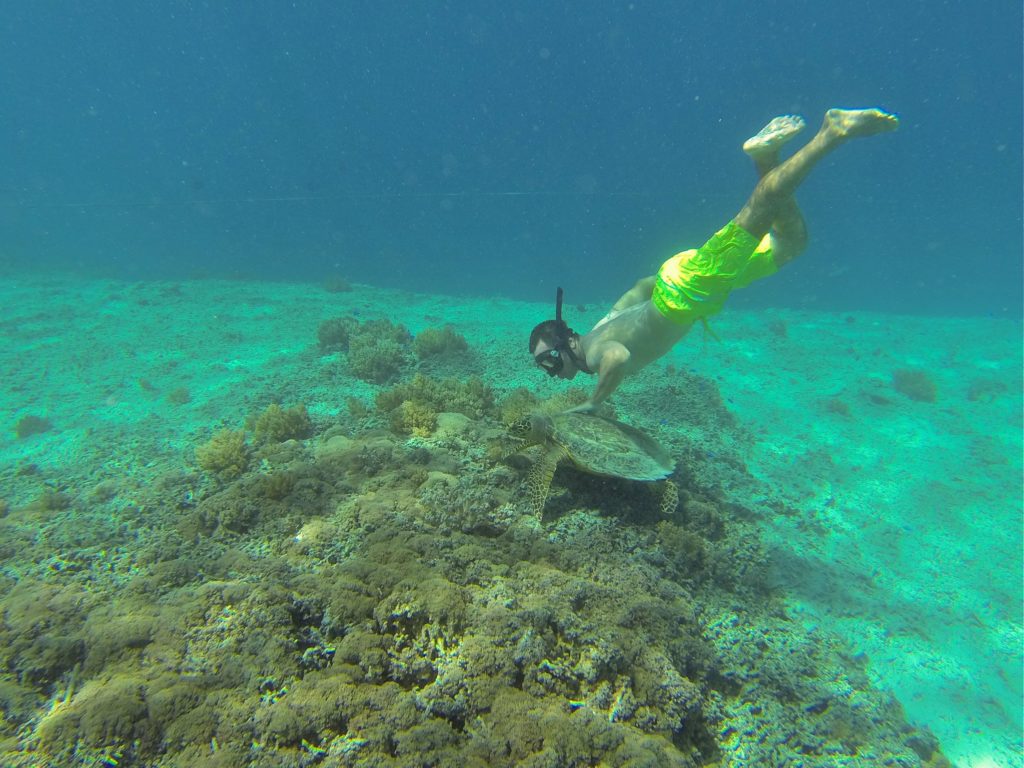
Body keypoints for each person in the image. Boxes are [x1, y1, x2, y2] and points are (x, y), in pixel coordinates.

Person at [528, 107, 899, 412]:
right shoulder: (601, 323)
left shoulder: (593, 353)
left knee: (761, 207)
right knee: (790, 242)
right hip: (679, 282)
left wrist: (595, 402)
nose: (549, 371)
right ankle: (766, 158)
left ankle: (832, 132)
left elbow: (619, 357)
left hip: (686, 292)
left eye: (547, 361)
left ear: (564, 345)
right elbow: (640, 288)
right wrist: (672, 284)